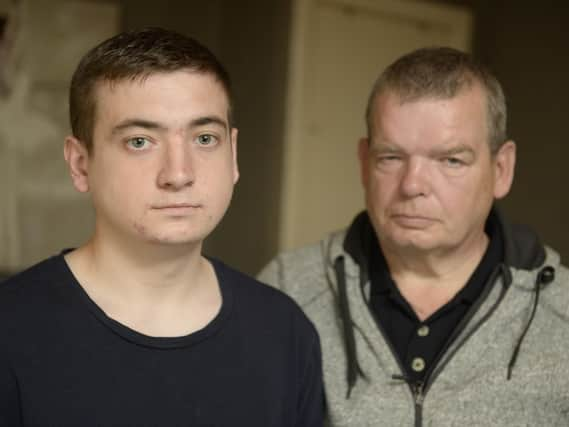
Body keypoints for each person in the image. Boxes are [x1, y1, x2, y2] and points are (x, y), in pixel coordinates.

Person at [0, 27, 323, 426]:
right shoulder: (11, 330)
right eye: (139, 141)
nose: (178, 173)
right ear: (80, 164)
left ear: (233, 154)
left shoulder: (284, 334)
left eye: (205, 138)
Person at [259, 47, 569, 426]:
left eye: (450, 160)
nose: (412, 185)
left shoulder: (561, 315)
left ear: (501, 169)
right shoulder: (287, 292)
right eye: (391, 157)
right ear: (363, 162)